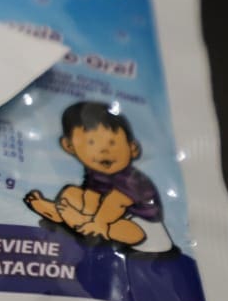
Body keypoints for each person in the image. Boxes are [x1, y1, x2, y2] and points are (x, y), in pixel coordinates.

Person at [23, 101, 172, 253]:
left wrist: (96, 223)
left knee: (130, 230)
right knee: (71, 193)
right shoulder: (96, 173)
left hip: (146, 230)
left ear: (132, 148)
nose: (104, 150)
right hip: (110, 214)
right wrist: (87, 212)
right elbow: (92, 193)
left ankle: (79, 222)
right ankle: (62, 213)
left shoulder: (129, 179)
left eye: (112, 143)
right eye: (92, 142)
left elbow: (116, 203)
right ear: (69, 146)